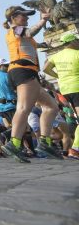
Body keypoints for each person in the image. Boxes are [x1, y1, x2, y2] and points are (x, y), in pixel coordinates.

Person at [1, 6, 62, 161]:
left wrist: (49, 45)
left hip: (29, 72)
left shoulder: (22, 34)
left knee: (51, 107)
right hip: (22, 71)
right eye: (24, 16)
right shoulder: (15, 30)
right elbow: (29, 32)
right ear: (13, 18)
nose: (27, 18)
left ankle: (45, 142)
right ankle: (13, 143)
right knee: (24, 108)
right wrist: (43, 20)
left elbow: (32, 44)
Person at [43, 31, 79, 159]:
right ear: (73, 41)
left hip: (65, 89)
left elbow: (45, 69)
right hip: (77, 87)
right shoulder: (77, 53)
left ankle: (75, 149)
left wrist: (58, 76)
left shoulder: (57, 56)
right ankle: (75, 149)